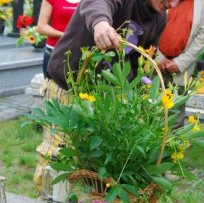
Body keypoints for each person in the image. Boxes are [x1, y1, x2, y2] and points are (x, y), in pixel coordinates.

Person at [33, 0, 180, 192]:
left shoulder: (160, 18)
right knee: (58, 154)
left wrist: (137, 98)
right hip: (68, 84)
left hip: (102, 97)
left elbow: (139, 63)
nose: (174, 3)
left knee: (88, 161)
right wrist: (100, 23)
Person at [157, 0, 204, 129]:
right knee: (150, 110)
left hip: (181, 68)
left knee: (175, 118)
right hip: (155, 62)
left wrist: (180, 63)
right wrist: (159, 57)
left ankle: (174, 148)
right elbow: (150, 21)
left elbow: (202, 34)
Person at [37, 0, 80, 77]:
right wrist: (64, 35)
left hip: (80, 52)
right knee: (52, 87)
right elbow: (41, 27)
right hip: (54, 51)